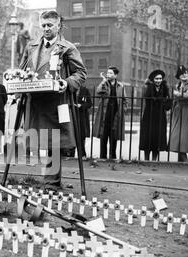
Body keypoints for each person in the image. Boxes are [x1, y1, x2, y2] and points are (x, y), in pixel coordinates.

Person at [19, 10, 87, 191]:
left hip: (56, 101)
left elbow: (81, 73)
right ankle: (45, 179)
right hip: (36, 101)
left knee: (54, 142)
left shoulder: (68, 48)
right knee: (37, 139)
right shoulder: (31, 46)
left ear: (58, 26)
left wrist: (67, 82)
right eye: (43, 25)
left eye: (50, 25)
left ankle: (51, 182)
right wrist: (20, 79)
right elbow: (21, 70)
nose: (46, 28)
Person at [93, 66, 128, 160]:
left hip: (116, 115)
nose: (108, 75)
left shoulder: (121, 86)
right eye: (107, 73)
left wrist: (123, 110)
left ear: (116, 75)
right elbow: (98, 91)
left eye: (110, 73)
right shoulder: (105, 84)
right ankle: (102, 157)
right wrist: (103, 81)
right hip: (105, 114)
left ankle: (113, 157)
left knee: (114, 137)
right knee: (103, 136)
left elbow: (125, 100)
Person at [140, 69, 171, 161]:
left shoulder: (165, 88)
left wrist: (165, 104)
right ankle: (146, 159)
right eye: (156, 79)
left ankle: (154, 159)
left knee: (157, 137)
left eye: (160, 78)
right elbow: (146, 98)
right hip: (149, 115)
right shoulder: (148, 87)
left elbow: (168, 101)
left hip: (160, 116)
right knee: (148, 136)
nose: (158, 80)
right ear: (153, 79)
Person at [169, 65, 188, 162]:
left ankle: (184, 160)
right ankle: (182, 160)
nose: (184, 75)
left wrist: (178, 94)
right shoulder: (178, 85)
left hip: (186, 110)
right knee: (176, 135)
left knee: (184, 136)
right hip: (178, 110)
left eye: (185, 73)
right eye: (181, 74)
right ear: (178, 76)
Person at [66, 85, 92, 160]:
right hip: (71, 114)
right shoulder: (69, 89)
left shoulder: (85, 90)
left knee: (81, 136)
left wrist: (81, 105)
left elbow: (89, 103)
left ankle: (82, 154)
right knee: (71, 134)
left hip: (81, 116)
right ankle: (70, 154)